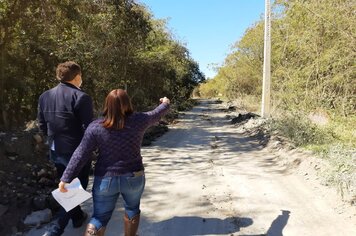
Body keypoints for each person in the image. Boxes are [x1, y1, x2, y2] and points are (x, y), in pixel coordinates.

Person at [58, 89, 170, 236]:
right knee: (132, 210)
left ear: (107, 104)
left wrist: (66, 178)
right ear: (127, 103)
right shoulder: (139, 120)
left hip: (105, 179)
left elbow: (81, 153)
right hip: (134, 176)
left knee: (99, 217)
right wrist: (165, 103)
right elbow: (157, 113)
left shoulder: (96, 127)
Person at [37, 61, 94, 236]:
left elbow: (41, 125)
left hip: (55, 149)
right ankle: (55, 230)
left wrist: (53, 138)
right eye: (81, 76)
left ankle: (77, 217)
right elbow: (89, 128)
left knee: (66, 185)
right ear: (77, 77)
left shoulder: (44, 96)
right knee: (78, 187)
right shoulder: (81, 97)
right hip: (76, 151)